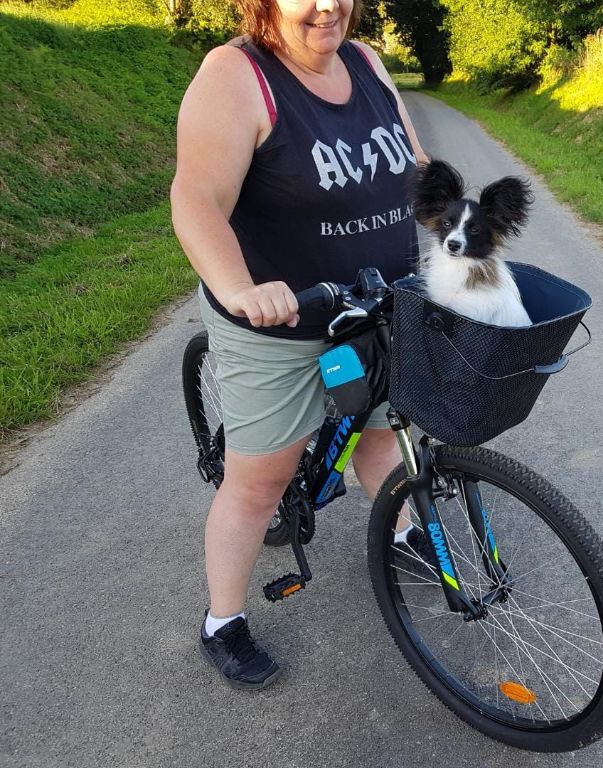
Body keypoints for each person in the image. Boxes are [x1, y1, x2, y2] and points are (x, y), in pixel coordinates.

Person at [170, 0, 428, 689]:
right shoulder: (236, 76)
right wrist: (239, 288)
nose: (326, 5)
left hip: (375, 306)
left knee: (381, 438)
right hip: (279, 319)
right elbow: (195, 200)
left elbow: (416, 166)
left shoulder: (367, 63)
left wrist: (464, 222)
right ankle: (221, 622)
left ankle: (403, 536)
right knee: (259, 484)